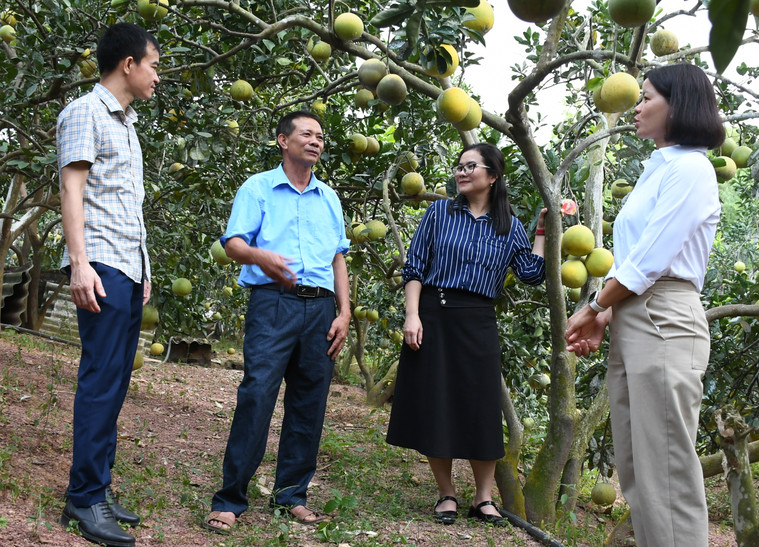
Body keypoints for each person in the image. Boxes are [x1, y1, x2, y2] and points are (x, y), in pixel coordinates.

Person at [564, 63, 724, 546]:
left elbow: (651, 260)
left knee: (666, 473)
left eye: (647, 97)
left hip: (665, 319)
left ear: (678, 105)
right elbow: (638, 259)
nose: (637, 106)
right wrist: (610, 312)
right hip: (636, 315)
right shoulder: (661, 168)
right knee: (638, 470)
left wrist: (595, 306)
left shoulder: (691, 168)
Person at [203, 111, 350, 534]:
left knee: (309, 404)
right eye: (307, 134)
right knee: (257, 396)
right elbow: (233, 243)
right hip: (273, 303)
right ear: (284, 141)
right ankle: (230, 499)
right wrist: (260, 257)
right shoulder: (258, 188)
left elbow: (338, 257)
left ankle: (291, 496)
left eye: (320, 136)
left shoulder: (329, 198)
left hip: (321, 310)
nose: (316, 141)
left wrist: (344, 312)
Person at [386, 143, 547, 526]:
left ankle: (483, 498)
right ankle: (446, 493)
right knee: (436, 403)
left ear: (492, 176)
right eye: (459, 166)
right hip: (434, 314)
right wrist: (412, 315)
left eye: (470, 166)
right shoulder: (439, 212)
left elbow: (531, 273)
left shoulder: (509, 226)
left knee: (481, 407)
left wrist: (543, 229)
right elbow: (415, 266)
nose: (461, 172)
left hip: (478, 320)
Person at [57, 22, 160, 547]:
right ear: (128, 64)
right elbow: (71, 189)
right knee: (100, 381)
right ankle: (83, 499)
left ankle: (96, 487)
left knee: (115, 382)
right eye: (154, 66)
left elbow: (124, 204)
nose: (157, 77)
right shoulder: (85, 112)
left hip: (125, 267)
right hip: (99, 264)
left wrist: (143, 270)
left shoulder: (126, 124)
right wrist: (80, 264)